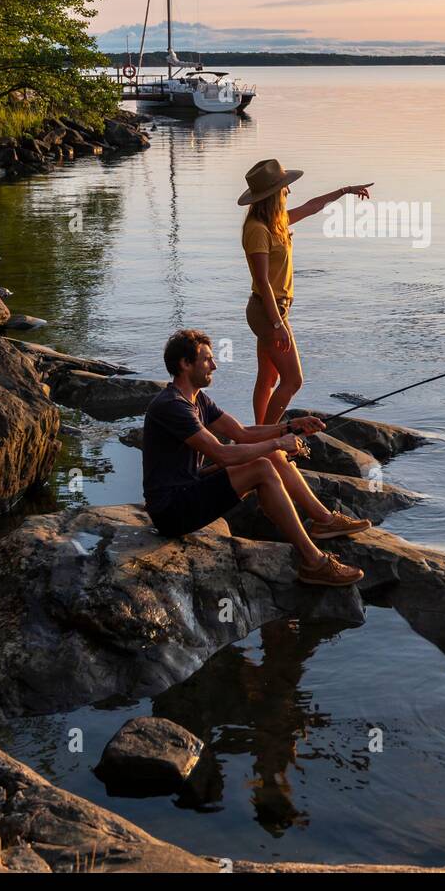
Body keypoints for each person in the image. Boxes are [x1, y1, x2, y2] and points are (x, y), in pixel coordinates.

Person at [142, 328, 370, 587]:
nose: (214, 365)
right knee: (262, 467)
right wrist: (277, 441)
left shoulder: (197, 399)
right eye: (207, 359)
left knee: (270, 454)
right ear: (185, 364)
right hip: (172, 510)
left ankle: (325, 521)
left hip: (188, 487)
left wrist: (290, 426)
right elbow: (222, 454)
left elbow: (241, 432)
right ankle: (314, 562)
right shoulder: (172, 406)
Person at [239, 158, 373, 424]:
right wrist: (277, 323)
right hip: (268, 311)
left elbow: (312, 207)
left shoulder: (276, 222)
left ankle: (257, 435)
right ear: (273, 194)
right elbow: (262, 281)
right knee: (293, 380)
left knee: (268, 378)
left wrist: (345, 190)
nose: (289, 191)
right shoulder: (257, 230)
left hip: (273, 309)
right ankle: (266, 435)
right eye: (285, 187)